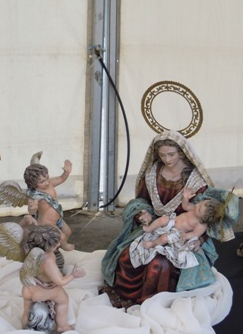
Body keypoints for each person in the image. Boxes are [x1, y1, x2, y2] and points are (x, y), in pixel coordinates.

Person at [101, 130, 236, 306]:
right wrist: (143, 213)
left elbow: (207, 215)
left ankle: (148, 302)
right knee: (127, 254)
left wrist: (199, 239)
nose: (167, 159)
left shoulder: (195, 181)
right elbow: (141, 201)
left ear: (182, 152)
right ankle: (125, 296)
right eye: (162, 155)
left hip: (182, 234)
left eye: (171, 154)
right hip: (156, 224)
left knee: (160, 264)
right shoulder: (152, 174)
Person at [129, 187, 221, 270]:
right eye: (201, 203)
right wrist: (186, 198)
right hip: (172, 221)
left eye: (199, 209)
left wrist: (186, 236)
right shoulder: (194, 208)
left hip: (177, 232)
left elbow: (195, 234)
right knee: (163, 219)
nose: (197, 205)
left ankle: (152, 243)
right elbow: (185, 206)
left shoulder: (201, 225)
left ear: (204, 218)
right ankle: (150, 228)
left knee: (164, 238)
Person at [20, 225, 85, 334]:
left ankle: (24, 325)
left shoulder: (30, 251)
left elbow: (26, 269)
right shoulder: (48, 259)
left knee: (27, 308)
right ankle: (62, 326)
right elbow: (60, 281)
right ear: (48, 245)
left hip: (29, 287)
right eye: (56, 243)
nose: (59, 244)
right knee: (63, 300)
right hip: (43, 289)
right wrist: (73, 275)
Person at [23, 159, 74, 250]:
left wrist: (66, 172)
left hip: (57, 219)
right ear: (33, 184)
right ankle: (63, 246)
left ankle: (59, 245)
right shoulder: (35, 195)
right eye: (42, 181)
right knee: (61, 237)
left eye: (47, 178)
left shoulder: (49, 184)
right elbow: (31, 211)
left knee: (67, 232)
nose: (47, 182)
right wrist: (33, 207)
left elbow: (61, 178)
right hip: (47, 223)